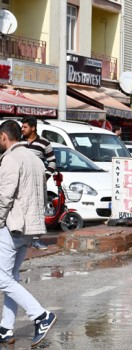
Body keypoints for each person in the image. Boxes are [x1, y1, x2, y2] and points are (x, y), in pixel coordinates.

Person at [0, 121, 57, 347]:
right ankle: (6, 328)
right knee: (11, 277)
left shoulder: (10, 159)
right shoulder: (35, 159)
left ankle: (41, 315)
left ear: (4, 136)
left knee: (2, 278)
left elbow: (4, 197)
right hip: (30, 228)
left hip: (12, 226)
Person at [19, 116, 55, 251]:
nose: (22, 129)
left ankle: (36, 240)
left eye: (25, 127)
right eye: (21, 127)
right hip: (22, 183)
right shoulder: (18, 142)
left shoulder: (44, 143)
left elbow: (52, 162)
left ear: (33, 128)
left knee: (37, 210)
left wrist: (45, 177)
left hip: (37, 185)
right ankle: (21, 239)